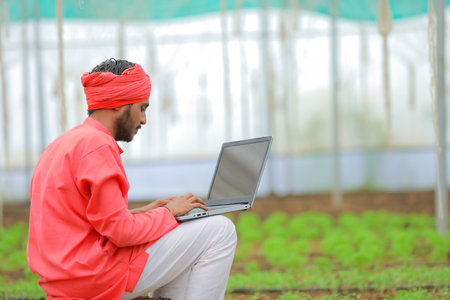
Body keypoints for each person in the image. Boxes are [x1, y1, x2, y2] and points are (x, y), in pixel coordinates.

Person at [27, 58, 237, 300]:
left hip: (64, 281)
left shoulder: (63, 144)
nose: (144, 120)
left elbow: (92, 222)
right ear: (118, 104)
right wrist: (167, 212)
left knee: (184, 237)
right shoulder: (98, 147)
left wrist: (146, 212)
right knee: (220, 229)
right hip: (95, 278)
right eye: (142, 108)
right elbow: (121, 233)